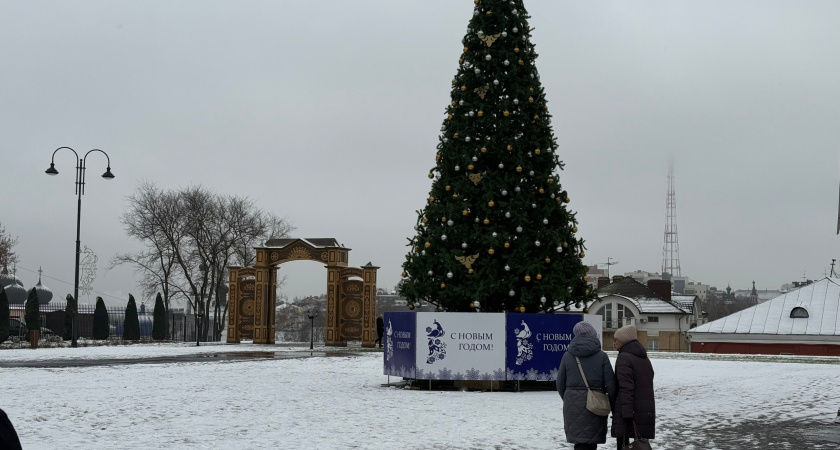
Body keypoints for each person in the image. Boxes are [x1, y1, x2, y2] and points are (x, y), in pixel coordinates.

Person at [557, 321, 617, 450]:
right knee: (591, 440)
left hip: (572, 403)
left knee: (579, 442)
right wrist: (613, 405)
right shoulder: (602, 356)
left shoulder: (567, 356)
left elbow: (560, 382)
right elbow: (611, 384)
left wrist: (569, 398)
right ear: (593, 335)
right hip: (596, 403)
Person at [611, 325, 655, 449]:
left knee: (625, 445)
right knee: (640, 444)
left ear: (624, 340)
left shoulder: (624, 357)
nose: (614, 343)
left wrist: (626, 414)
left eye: (616, 340)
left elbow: (626, 387)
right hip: (644, 408)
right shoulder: (643, 357)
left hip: (630, 409)